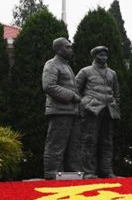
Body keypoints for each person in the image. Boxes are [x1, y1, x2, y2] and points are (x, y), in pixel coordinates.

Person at [76, 46, 120, 179]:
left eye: (105, 55)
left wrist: (115, 104)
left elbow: (116, 93)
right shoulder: (85, 71)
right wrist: (85, 103)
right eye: (100, 55)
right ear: (95, 56)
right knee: (89, 140)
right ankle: (89, 172)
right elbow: (75, 90)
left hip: (108, 110)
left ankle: (107, 171)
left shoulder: (112, 73)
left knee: (107, 142)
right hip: (92, 110)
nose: (104, 57)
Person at [42, 37, 82, 179]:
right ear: (58, 49)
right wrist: (71, 96)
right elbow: (49, 86)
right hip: (59, 111)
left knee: (73, 145)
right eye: (67, 47)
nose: (71, 49)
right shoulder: (52, 64)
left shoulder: (66, 65)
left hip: (72, 111)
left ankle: (74, 175)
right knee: (56, 144)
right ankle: (52, 173)